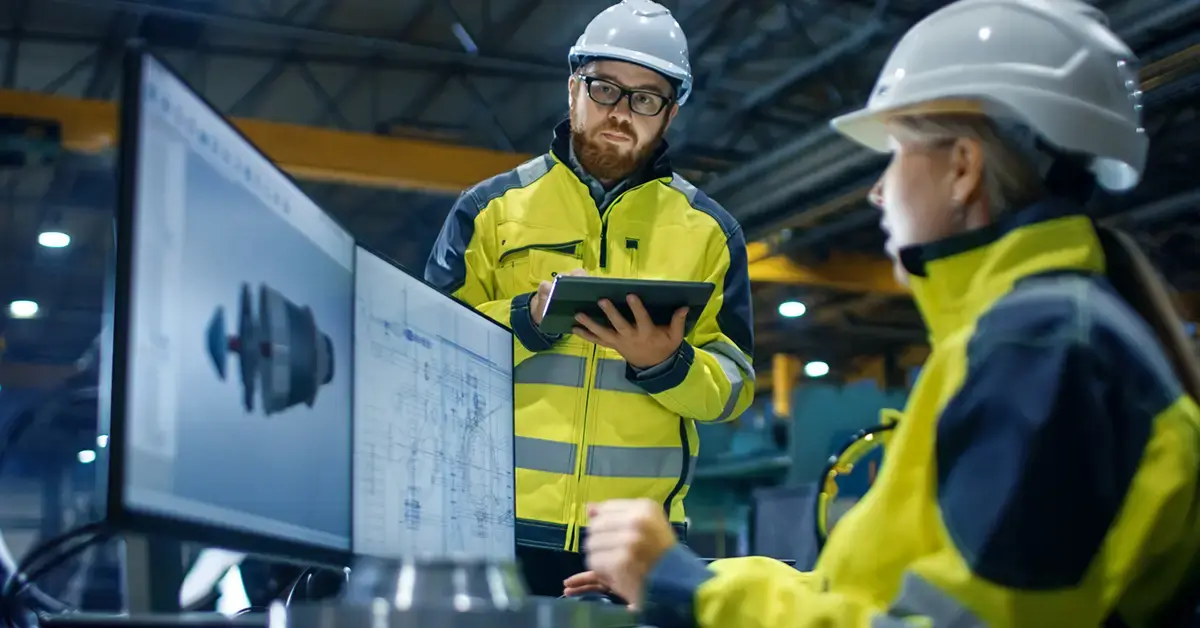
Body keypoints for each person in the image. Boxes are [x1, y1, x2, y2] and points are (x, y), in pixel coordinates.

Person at [573, 0, 1200, 625]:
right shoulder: (1028, 339)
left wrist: (692, 593)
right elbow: (869, 589)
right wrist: (684, 575)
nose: (878, 190)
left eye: (896, 153)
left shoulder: (1043, 352)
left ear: (962, 168)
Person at [423, 0, 755, 598]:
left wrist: (666, 364)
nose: (621, 113)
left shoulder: (710, 232)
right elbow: (427, 351)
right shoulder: (490, 211)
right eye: (605, 88)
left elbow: (734, 386)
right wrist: (528, 319)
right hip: (488, 527)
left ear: (670, 112)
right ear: (572, 87)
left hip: (632, 544)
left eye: (645, 98)